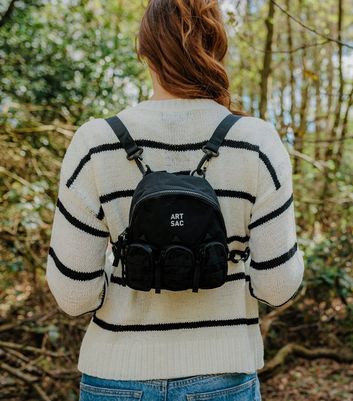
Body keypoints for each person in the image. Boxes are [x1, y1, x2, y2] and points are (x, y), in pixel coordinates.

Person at [45, 0, 305, 400]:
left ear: (145, 50)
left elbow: (73, 295)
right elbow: (276, 286)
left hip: (116, 375)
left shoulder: (96, 143)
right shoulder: (256, 142)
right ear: (216, 47)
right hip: (223, 375)